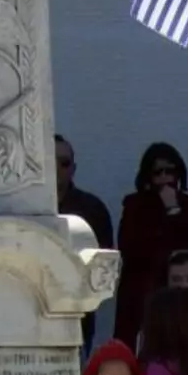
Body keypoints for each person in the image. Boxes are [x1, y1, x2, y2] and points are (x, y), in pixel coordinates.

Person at [114, 143, 188, 348]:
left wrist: (173, 209)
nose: (164, 178)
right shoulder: (134, 206)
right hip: (141, 297)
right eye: (158, 172)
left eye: (169, 171)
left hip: (180, 295)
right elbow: (130, 248)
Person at [55, 134, 115, 349]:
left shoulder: (92, 209)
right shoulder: (24, 210)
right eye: (49, 162)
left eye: (64, 163)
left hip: (79, 319)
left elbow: (107, 268)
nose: (57, 169)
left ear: (73, 168)